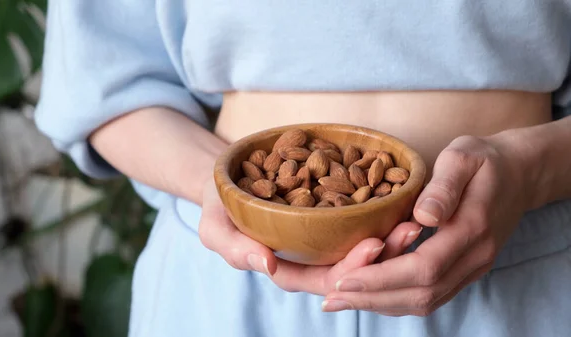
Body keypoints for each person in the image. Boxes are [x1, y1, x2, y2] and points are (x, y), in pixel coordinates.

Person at [34, 1, 571, 336]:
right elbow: (102, 84)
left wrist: (532, 172)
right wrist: (219, 188)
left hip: (519, 269)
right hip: (231, 281)